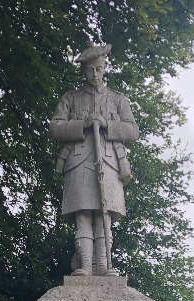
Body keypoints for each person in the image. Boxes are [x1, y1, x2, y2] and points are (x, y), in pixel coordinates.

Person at [49, 44, 139, 276]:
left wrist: (108, 124)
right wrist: (83, 125)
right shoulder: (71, 99)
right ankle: (85, 266)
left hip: (110, 162)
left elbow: (132, 131)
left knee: (104, 215)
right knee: (83, 215)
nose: (95, 74)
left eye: (98, 69)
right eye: (90, 70)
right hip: (78, 161)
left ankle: (104, 265)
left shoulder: (118, 100)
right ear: (84, 71)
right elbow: (55, 127)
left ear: (105, 67)